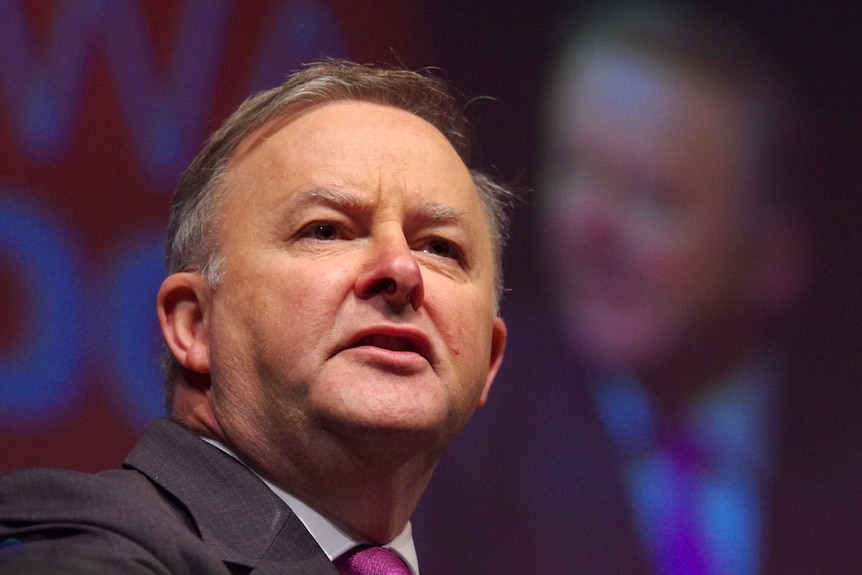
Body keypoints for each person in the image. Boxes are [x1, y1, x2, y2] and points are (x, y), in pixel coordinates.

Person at [0, 59, 511, 575]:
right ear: (195, 325)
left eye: (441, 248)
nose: (401, 269)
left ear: (490, 357)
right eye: (326, 231)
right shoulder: (89, 550)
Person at [414, 2, 862, 574]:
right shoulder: (458, 436)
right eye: (573, 170)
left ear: (775, 255)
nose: (589, 226)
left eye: (652, 196)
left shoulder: (841, 456)